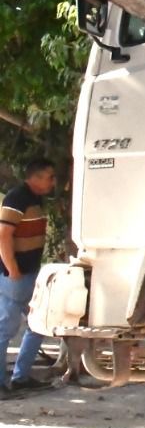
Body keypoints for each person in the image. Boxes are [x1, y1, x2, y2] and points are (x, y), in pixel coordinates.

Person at [0, 157, 56, 396]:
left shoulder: (35, 199)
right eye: (50, 177)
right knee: (6, 329)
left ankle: (21, 377)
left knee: (38, 323)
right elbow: (3, 235)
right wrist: (12, 269)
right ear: (36, 177)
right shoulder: (17, 198)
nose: (53, 182)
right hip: (16, 275)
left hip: (29, 273)